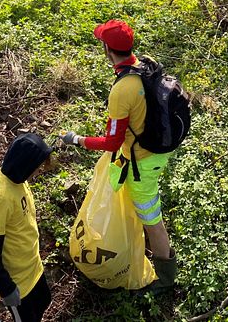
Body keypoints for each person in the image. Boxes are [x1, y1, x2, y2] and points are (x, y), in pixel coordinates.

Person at [62, 19, 177, 291]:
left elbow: (113, 142)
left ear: (107, 49)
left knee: (152, 218)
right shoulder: (145, 66)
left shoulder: (122, 90)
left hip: (144, 163)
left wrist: (77, 140)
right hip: (152, 152)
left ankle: (166, 277)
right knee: (142, 209)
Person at [0, 133, 54, 322]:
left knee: (44, 300)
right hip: (16, 278)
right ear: (25, 165)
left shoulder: (17, 177)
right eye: (36, 168)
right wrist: (7, 288)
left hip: (31, 265)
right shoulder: (0, 198)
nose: (37, 172)